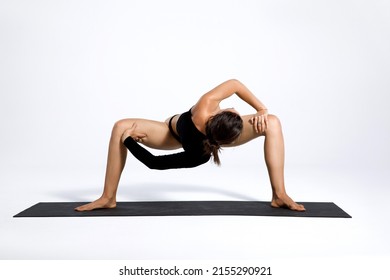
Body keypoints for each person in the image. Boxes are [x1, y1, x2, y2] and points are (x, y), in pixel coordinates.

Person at [75, 79, 305, 212]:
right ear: (216, 116)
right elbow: (234, 84)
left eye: (234, 111)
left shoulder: (201, 148)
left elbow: (154, 163)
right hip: (171, 132)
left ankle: (279, 194)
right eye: (234, 111)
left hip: (182, 134)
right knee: (120, 126)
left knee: (271, 123)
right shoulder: (205, 111)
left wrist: (127, 139)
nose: (235, 108)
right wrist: (261, 110)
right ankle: (108, 197)